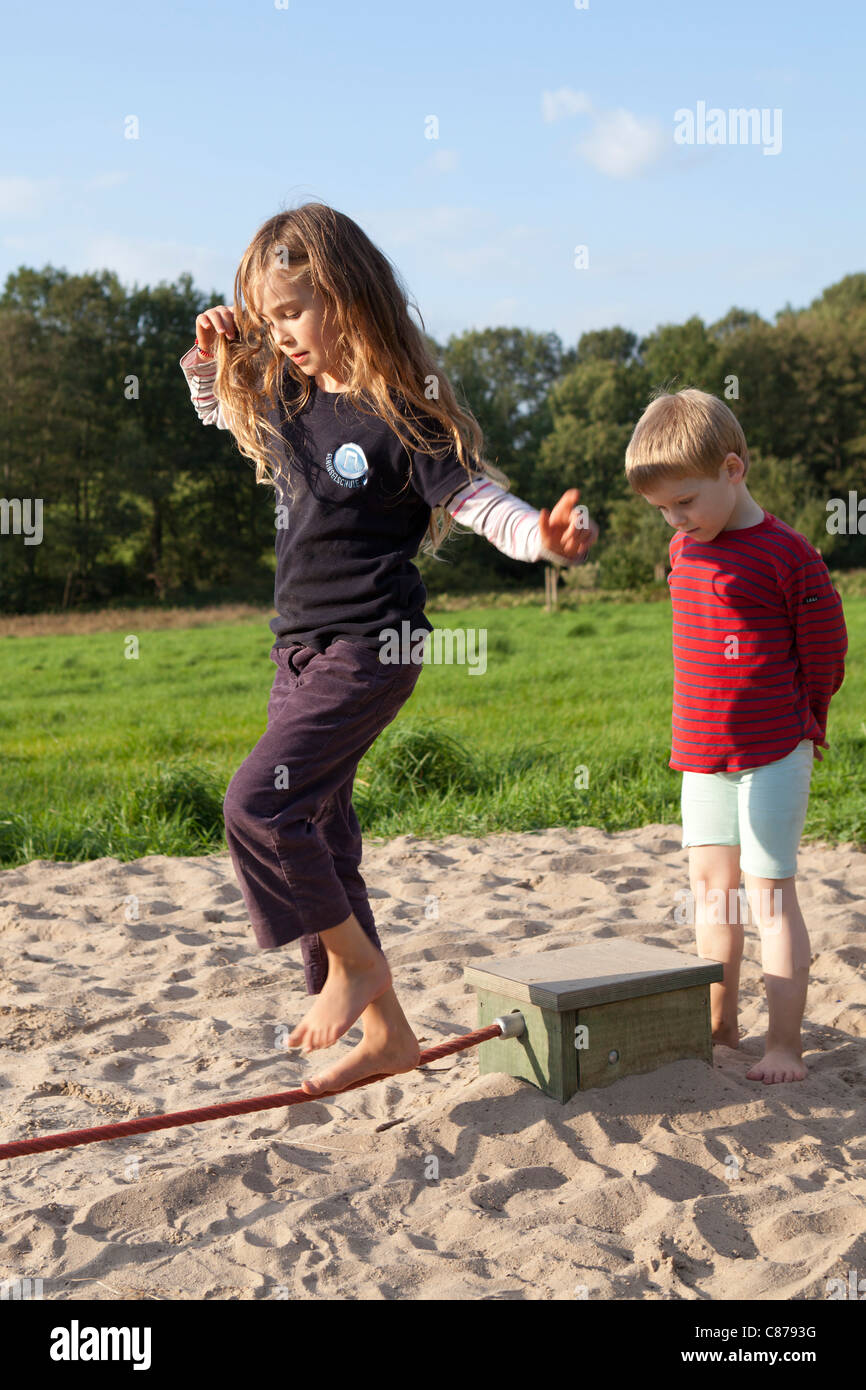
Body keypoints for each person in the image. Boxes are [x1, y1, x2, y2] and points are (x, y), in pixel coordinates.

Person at [179, 202, 598, 1097]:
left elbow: (480, 502)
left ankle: (359, 972)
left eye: (293, 310)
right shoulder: (287, 395)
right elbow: (214, 412)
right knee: (322, 832)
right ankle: (388, 1035)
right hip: (294, 654)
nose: (280, 333)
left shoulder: (407, 411)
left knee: (260, 806)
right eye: (267, 315)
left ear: (348, 296)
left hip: (373, 646)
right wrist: (210, 353)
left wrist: (544, 540)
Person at [625, 387, 847, 1084]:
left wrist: (804, 723)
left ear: (732, 469)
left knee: (769, 892)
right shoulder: (684, 554)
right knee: (712, 890)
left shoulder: (789, 555)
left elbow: (825, 655)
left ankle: (784, 1044)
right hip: (701, 757)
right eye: (662, 508)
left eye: (685, 502)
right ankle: (721, 1029)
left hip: (774, 752)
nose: (676, 519)